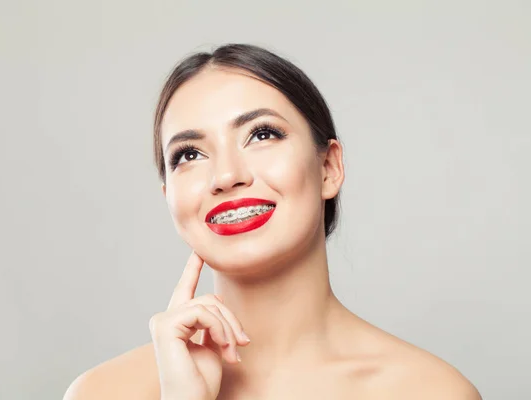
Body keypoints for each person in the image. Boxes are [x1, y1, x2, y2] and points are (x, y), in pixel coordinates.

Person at [64, 43, 481, 400]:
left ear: (328, 168)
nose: (227, 176)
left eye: (262, 134)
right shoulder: (103, 392)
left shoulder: (427, 391)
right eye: (189, 154)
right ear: (169, 197)